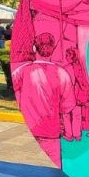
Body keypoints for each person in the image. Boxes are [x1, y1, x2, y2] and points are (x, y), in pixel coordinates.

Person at [11, 32, 75, 167]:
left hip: (30, 129)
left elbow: (14, 88)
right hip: (51, 131)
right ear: (53, 49)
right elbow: (67, 107)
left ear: (34, 48)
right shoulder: (62, 73)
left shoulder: (22, 72)